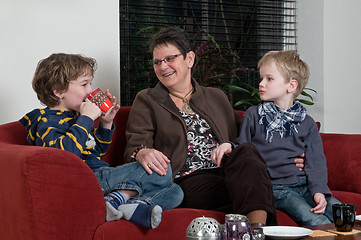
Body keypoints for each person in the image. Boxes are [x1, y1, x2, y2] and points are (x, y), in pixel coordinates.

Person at [125, 26, 302, 225]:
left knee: (246, 153)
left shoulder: (216, 96)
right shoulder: (147, 100)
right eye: (157, 62)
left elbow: (250, 138)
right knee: (255, 188)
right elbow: (134, 147)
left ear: (189, 59)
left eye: (170, 58)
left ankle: (254, 232)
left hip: (229, 170)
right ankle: (258, 230)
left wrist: (291, 151)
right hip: (186, 179)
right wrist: (142, 152)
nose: (163, 66)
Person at [19, 53, 183, 229]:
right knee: (162, 170)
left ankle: (124, 205)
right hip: (82, 181)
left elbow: (95, 151)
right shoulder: (45, 121)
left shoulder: (76, 116)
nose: (90, 91)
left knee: (176, 192)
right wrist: (87, 118)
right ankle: (121, 198)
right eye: (84, 84)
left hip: (101, 174)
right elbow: (64, 157)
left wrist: (106, 123)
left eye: (90, 83)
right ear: (58, 91)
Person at [212, 50, 341, 226]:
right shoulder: (253, 115)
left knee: (344, 213)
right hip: (276, 189)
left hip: (303, 185)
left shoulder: (307, 123)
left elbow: (316, 161)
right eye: (261, 78)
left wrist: (319, 191)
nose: (261, 84)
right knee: (314, 219)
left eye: (269, 79)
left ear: (291, 86)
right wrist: (228, 147)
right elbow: (242, 148)